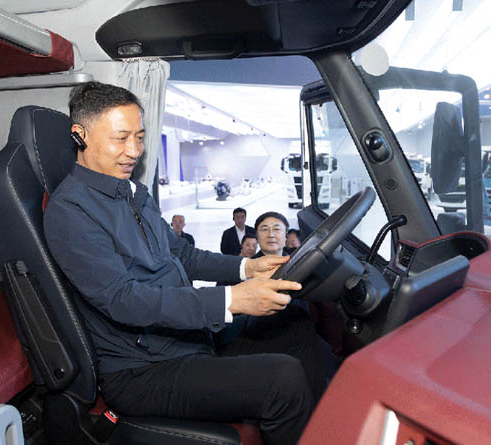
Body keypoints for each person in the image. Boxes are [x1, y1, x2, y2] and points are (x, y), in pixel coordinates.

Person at [44, 82, 326, 445]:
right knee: (282, 379)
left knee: (297, 327)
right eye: (121, 138)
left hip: (186, 340)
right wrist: (231, 300)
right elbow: (123, 299)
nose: (134, 151)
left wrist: (246, 269)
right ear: (80, 136)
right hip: (142, 370)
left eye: (140, 138)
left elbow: (183, 254)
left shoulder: (132, 194)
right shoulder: (71, 211)